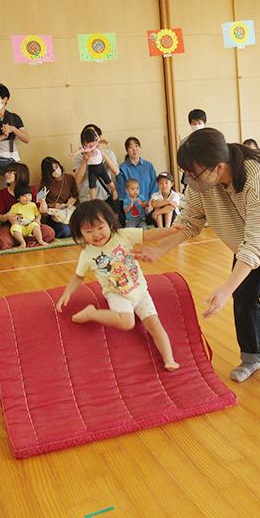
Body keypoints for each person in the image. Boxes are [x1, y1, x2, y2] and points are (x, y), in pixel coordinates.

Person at [136, 128, 260, 383]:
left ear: (218, 166)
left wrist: (225, 288)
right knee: (244, 294)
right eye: (187, 174)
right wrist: (158, 249)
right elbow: (190, 221)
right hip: (250, 242)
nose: (190, 180)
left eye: (195, 174)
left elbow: (259, 242)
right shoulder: (202, 182)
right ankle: (251, 358)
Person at [55, 200, 182, 371]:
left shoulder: (123, 235)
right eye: (88, 231)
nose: (96, 234)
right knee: (127, 323)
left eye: (100, 227)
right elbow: (78, 277)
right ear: (80, 234)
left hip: (140, 291)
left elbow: (148, 235)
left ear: (110, 223)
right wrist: (66, 293)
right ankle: (93, 313)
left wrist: (171, 231)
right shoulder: (87, 254)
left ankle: (169, 359)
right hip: (117, 294)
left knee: (155, 325)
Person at [0, 163, 55, 249]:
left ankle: (24, 240)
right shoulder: (2, 193)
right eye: (6, 172)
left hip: (31, 225)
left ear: (20, 174)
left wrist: (39, 216)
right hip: (12, 227)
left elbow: (41, 211)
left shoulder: (31, 190)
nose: (6, 174)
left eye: (10, 172)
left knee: (50, 232)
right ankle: (24, 240)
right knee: (0, 240)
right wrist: (7, 217)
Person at [73, 124, 120, 204]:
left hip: (104, 198)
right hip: (86, 200)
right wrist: (85, 159)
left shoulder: (109, 153)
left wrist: (103, 154)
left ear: (99, 137)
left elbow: (116, 172)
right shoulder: (79, 157)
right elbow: (78, 181)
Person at [38, 156, 78, 238]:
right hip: (54, 215)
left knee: (80, 227)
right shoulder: (45, 182)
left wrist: (73, 199)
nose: (56, 171)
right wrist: (54, 205)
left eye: (56, 167)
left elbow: (76, 195)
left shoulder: (69, 178)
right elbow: (39, 201)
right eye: (52, 170)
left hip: (67, 212)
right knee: (66, 231)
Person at [116, 137, 158, 214]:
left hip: (149, 207)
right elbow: (122, 192)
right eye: (131, 147)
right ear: (127, 151)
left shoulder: (148, 165)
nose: (134, 149)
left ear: (140, 148)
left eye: (136, 146)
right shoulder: (122, 169)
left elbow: (155, 186)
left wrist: (150, 203)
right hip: (131, 210)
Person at [8, 183, 48, 248]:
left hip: (30, 225)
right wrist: (13, 220)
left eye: (29, 195)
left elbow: (38, 214)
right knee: (14, 228)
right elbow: (11, 216)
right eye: (24, 196)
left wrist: (37, 220)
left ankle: (40, 240)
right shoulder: (15, 207)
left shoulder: (33, 205)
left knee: (35, 226)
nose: (27, 198)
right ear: (18, 198)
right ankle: (22, 242)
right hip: (20, 225)